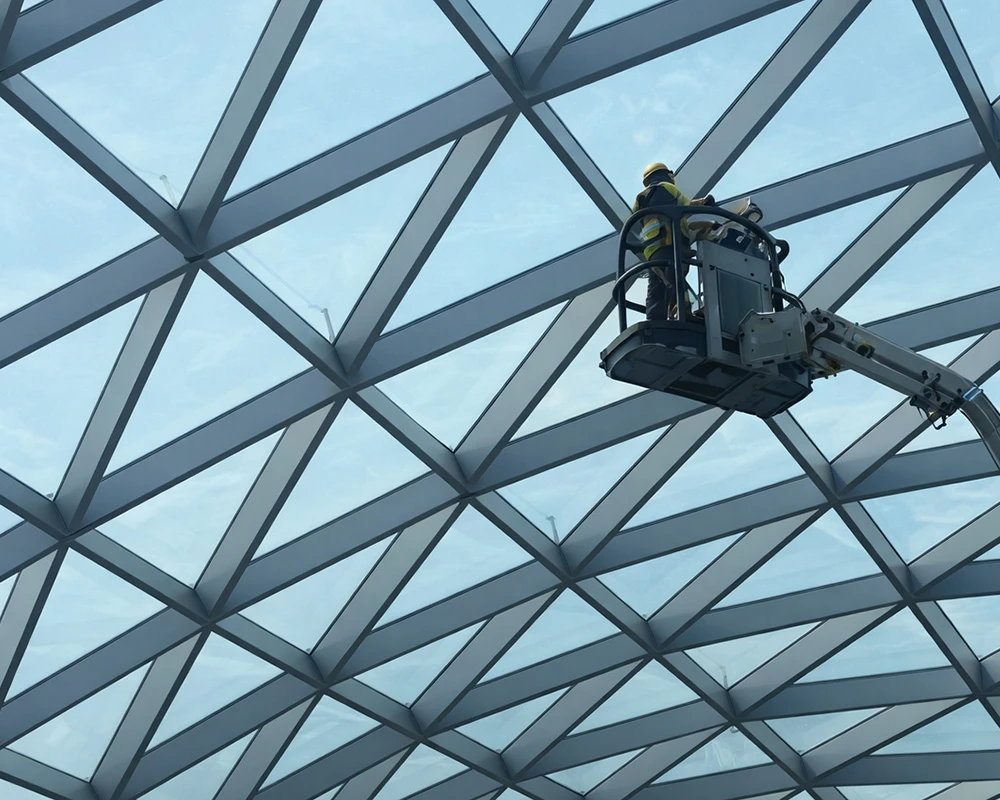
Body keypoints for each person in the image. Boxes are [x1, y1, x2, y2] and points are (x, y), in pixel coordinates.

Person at [632, 162, 715, 321]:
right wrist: (704, 202)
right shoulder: (668, 188)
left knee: (657, 287)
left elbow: (633, 223)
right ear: (667, 175)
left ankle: (654, 320)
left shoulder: (640, 198)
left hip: (651, 250)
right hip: (670, 243)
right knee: (676, 281)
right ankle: (684, 314)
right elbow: (685, 206)